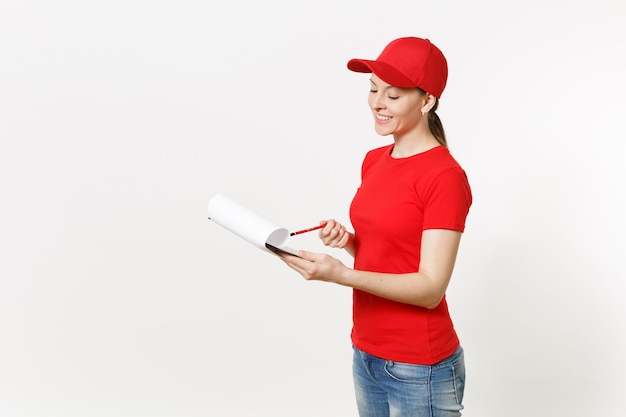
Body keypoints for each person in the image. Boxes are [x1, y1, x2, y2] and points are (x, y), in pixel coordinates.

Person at [276, 37, 472, 417]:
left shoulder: (444, 177)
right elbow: (392, 252)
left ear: (427, 100)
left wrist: (341, 275)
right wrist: (349, 241)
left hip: (419, 367)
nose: (377, 103)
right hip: (367, 352)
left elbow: (430, 288)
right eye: (373, 89)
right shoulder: (374, 160)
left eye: (394, 96)